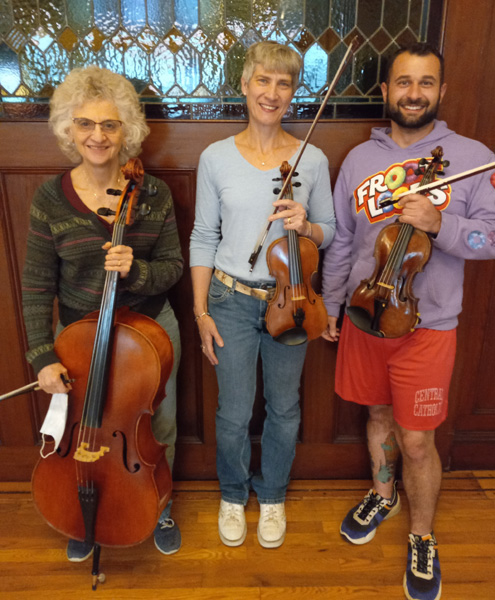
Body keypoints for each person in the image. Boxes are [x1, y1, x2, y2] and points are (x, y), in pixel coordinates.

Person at [321, 42, 495, 600]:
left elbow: (490, 238)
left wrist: (439, 223)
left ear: (441, 92)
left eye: (425, 83)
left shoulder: (471, 155)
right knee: (375, 415)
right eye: (403, 82)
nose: (413, 93)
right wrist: (329, 304)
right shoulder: (358, 161)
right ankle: (383, 492)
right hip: (367, 315)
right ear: (386, 90)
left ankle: (422, 536)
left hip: (428, 325)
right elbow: (345, 242)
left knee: (417, 440)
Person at [21, 66, 184, 560]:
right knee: (84, 429)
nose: (98, 136)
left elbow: (173, 266)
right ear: (69, 130)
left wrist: (135, 273)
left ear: (127, 131)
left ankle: (159, 503)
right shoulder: (50, 199)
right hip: (78, 334)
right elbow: (35, 287)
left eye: (110, 125)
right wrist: (43, 357)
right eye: (86, 124)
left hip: (149, 328)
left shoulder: (152, 195)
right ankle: (81, 507)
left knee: (155, 426)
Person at [190, 41, 335, 549]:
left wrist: (307, 225)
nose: (272, 93)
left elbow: (331, 231)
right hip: (230, 299)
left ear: (294, 92)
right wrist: (201, 310)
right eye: (263, 81)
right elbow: (204, 237)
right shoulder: (215, 158)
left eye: (284, 83)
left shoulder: (311, 158)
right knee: (232, 411)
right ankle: (233, 492)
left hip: (292, 298)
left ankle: (271, 494)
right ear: (246, 84)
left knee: (285, 406)